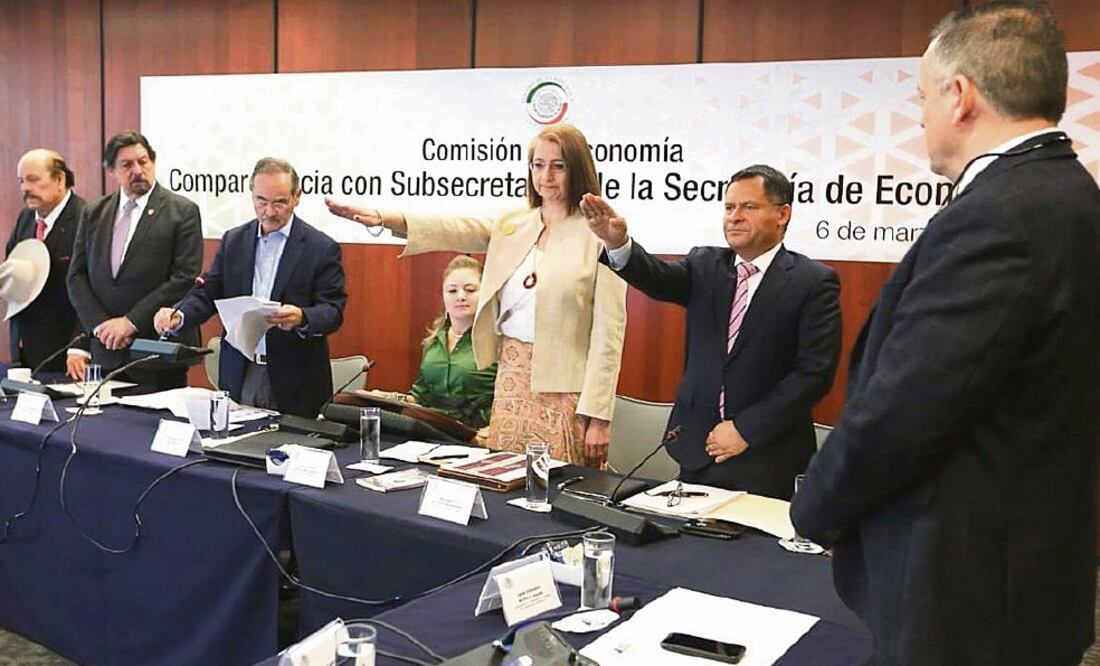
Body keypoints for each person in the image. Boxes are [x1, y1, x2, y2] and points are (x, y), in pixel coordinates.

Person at [790, 4, 1100, 665]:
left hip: (968, 600)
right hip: (1019, 578)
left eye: (923, 97)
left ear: (959, 97)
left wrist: (812, 506)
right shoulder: (1067, 194)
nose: (921, 117)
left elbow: (906, 407)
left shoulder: (1003, 214)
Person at [326, 124, 626, 467]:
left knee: (556, 489)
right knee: (505, 480)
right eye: (537, 165)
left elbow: (609, 334)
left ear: (578, 169)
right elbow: (457, 227)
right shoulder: (515, 223)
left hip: (566, 389)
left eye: (558, 166)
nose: (546, 176)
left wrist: (599, 416)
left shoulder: (601, 234)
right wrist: (383, 218)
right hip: (512, 378)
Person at [582, 165, 841, 498]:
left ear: (782, 213)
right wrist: (617, 242)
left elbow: (813, 374)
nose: (734, 217)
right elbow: (657, 278)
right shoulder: (704, 265)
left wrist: (745, 430)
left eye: (749, 207)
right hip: (699, 453)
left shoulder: (813, 282)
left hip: (767, 460)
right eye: (729, 207)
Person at [154, 157, 347, 418]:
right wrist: (180, 315)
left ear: (297, 196)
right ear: (251, 195)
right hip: (239, 371)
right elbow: (209, 291)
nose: (269, 212)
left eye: (279, 202)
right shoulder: (234, 240)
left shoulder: (320, 248)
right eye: (261, 201)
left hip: (295, 379)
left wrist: (302, 317)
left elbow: (332, 311)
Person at [66, 131, 203, 387]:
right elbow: (76, 276)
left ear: (153, 162)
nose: (137, 170)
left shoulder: (182, 212)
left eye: (143, 161)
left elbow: (184, 278)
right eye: (127, 165)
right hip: (105, 353)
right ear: (112, 171)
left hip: (155, 354)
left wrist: (130, 322)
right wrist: (100, 327)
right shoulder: (94, 212)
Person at [369, 255, 497, 430]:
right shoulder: (433, 342)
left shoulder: (499, 343)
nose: (460, 297)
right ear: (443, 296)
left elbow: (510, 403)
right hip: (432, 430)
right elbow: (420, 397)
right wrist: (386, 398)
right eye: (452, 291)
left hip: (477, 434)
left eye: (470, 290)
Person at [8, 149, 84, 374]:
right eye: (21, 181)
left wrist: (80, 346)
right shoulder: (25, 218)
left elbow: (92, 291)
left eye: (33, 180)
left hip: (67, 355)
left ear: (60, 179)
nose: (25, 188)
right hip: (25, 351)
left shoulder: (86, 219)